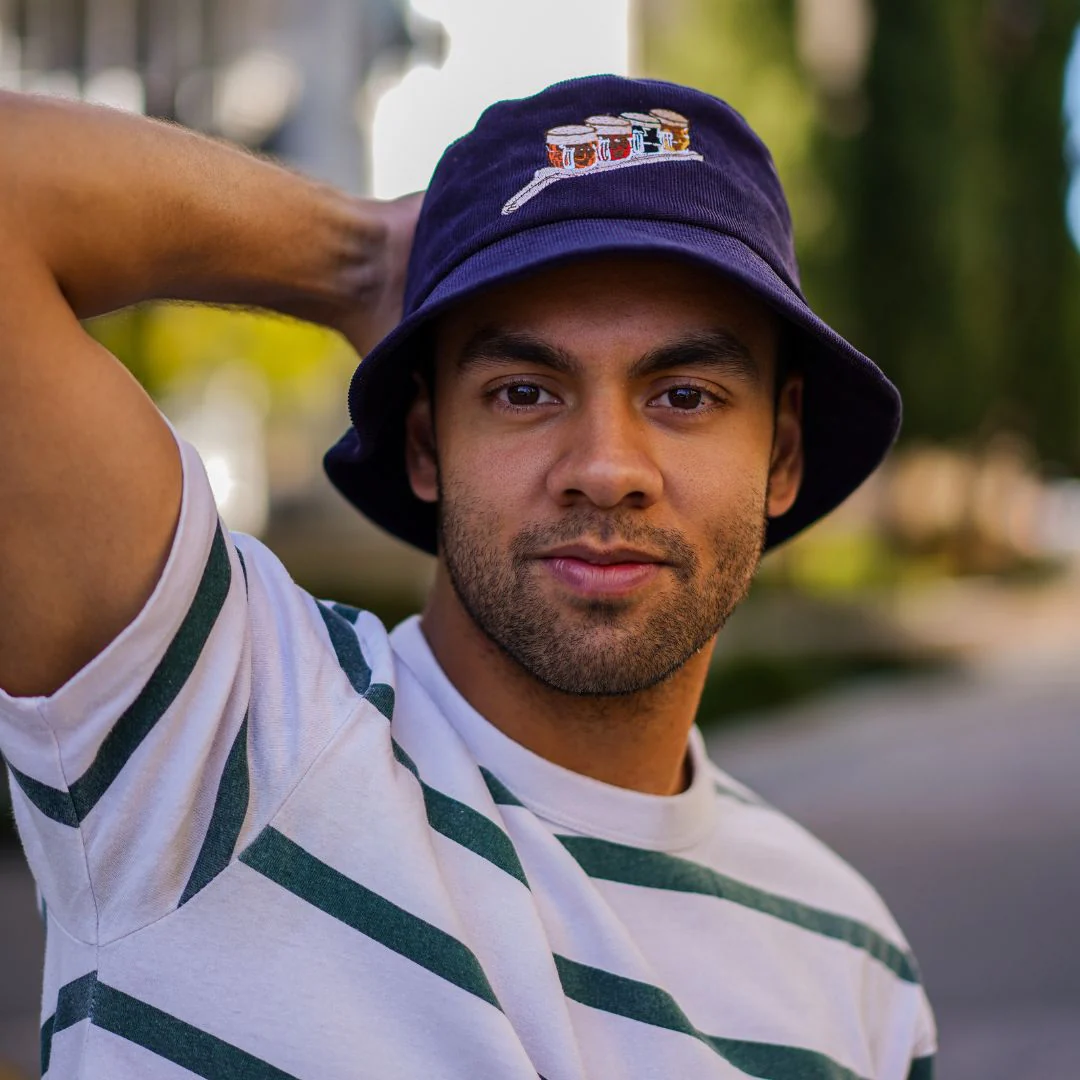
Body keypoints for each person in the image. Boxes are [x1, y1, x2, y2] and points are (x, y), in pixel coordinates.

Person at [0, 74, 936, 1079]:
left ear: (782, 456)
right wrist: (359, 256)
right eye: (525, 390)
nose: (607, 468)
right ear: (425, 444)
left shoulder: (854, 965)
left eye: (685, 394)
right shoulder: (216, 737)